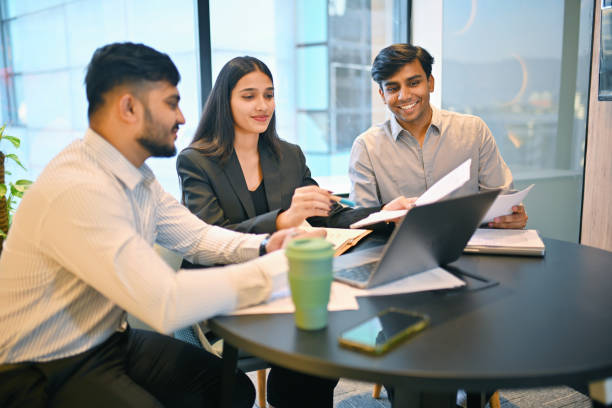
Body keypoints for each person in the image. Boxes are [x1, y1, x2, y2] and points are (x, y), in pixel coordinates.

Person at [0, 42, 317, 408]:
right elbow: (164, 301)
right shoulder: (80, 188)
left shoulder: (137, 176)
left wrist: (266, 247)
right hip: (38, 366)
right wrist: (276, 270)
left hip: (107, 339)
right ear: (129, 107)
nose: (182, 117)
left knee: (230, 390)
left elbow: (196, 236)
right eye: (171, 103)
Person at [176, 56, 413, 408]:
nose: (262, 106)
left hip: (286, 282)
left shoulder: (288, 155)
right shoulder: (196, 161)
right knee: (316, 328)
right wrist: (282, 220)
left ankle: (294, 393)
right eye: (249, 96)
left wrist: (380, 213)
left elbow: (327, 213)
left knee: (334, 326)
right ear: (225, 101)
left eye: (269, 95)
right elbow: (212, 235)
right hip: (227, 286)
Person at [349, 43, 528, 229]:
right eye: (393, 88)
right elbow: (363, 222)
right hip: (400, 249)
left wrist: (511, 216)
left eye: (413, 83)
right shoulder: (366, 147)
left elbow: (502, 200)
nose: (404, 96)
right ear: (382, 95)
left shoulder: (474, 131)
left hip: (471, 247)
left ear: (430, 83)